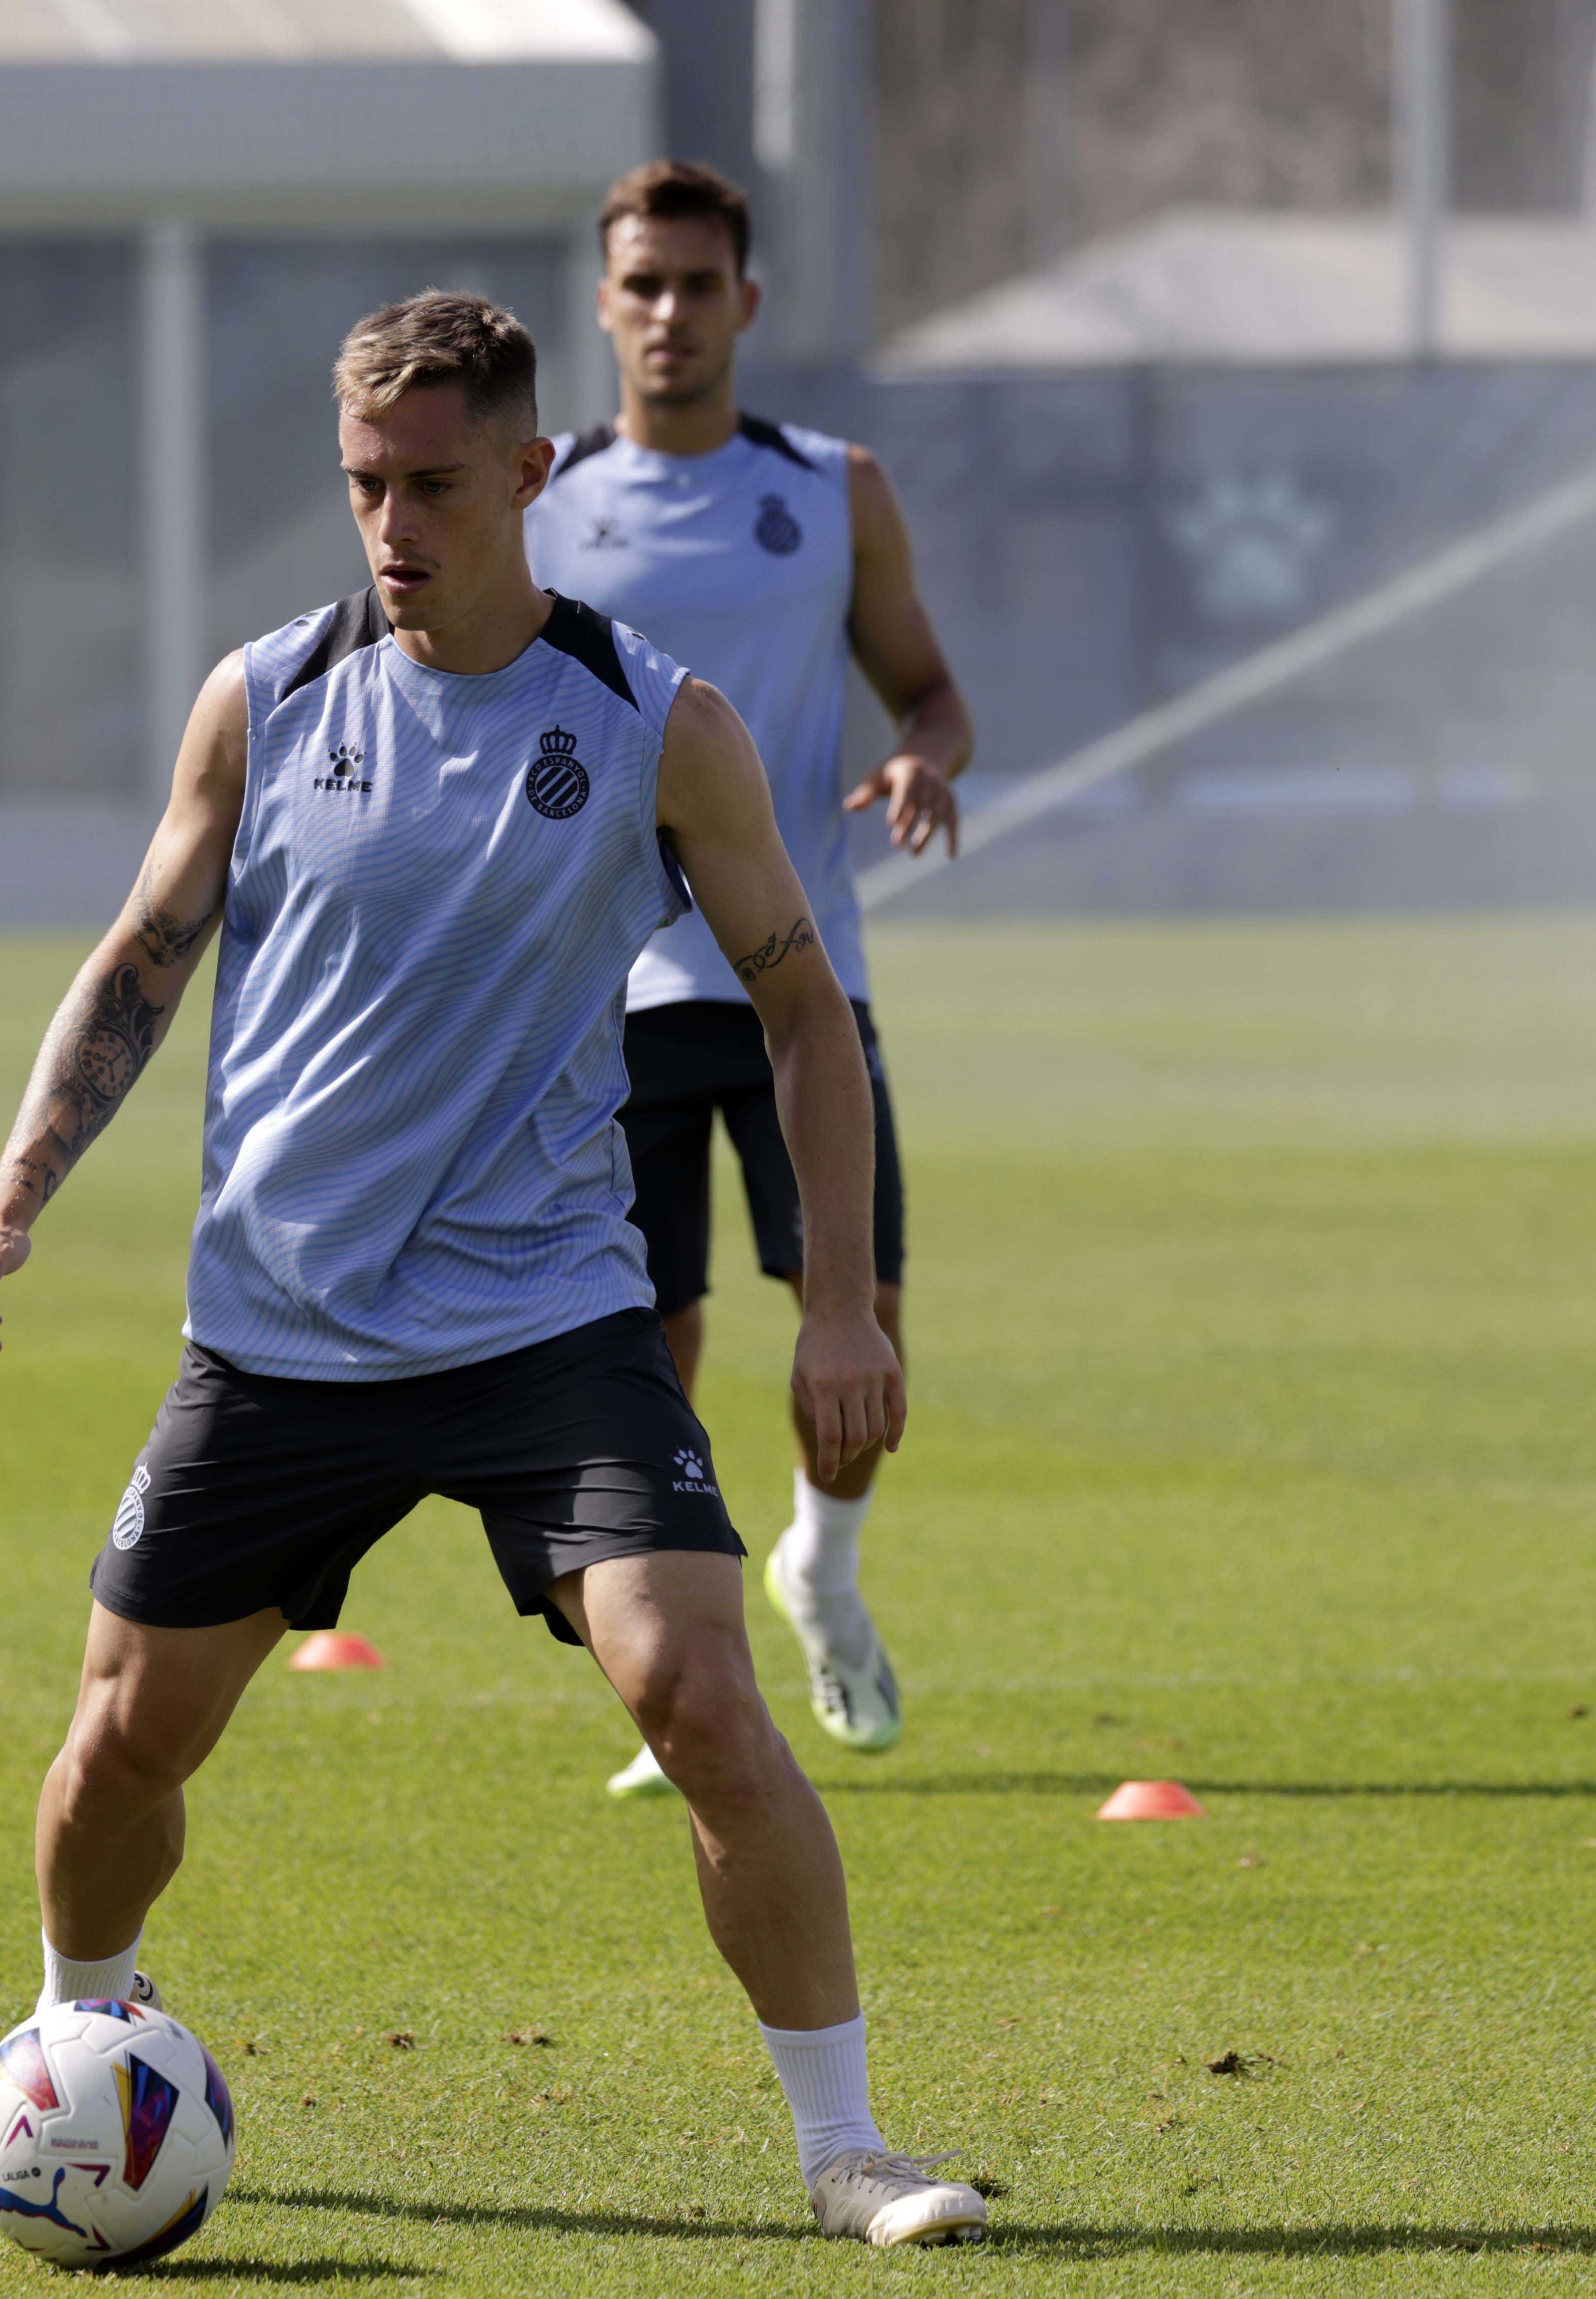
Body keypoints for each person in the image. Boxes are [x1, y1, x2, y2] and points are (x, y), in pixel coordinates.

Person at [0, 291, 987, 2247]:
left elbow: (805, 1015)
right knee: (122, 1746)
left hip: (545, 1323)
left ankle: (849, 2150)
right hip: (281, 1329)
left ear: (528, 474)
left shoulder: (658, 724)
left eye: (431, 486)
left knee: (701, 1699)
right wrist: (14, 1192)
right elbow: (143, 955)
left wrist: (838, 1298)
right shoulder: (267, 698)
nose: (392, 527)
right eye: (363, 486)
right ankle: (65, 2053)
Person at [526, 161, 973, 1782]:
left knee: (864, 1325)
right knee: (646, 1355)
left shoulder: (833, 488)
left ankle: (823, 1577)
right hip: (606, 999)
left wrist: (924, 759)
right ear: (603, 303)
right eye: (641, 284)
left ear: (746, 303)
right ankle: (690, 1679)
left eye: (697, 284)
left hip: (801, 981)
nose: (669, 312)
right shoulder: (541, 498)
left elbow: (931, 693)